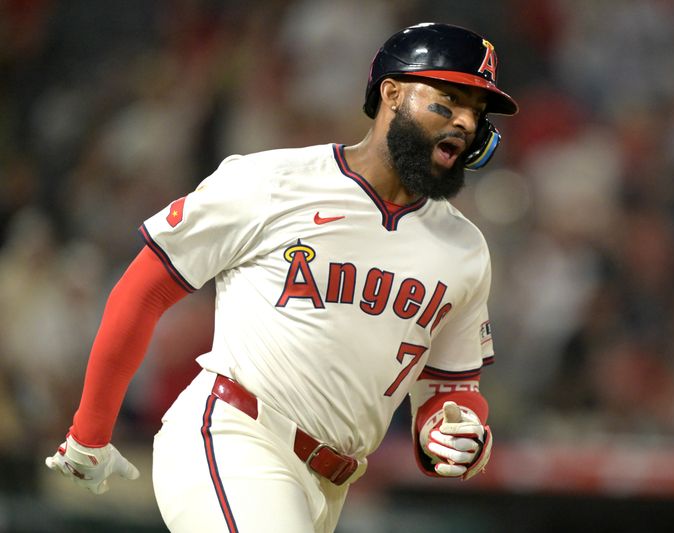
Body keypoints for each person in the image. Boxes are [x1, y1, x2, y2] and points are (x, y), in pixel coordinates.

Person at [45, 22, 518, 532]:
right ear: (393, 93)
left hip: (331, 484)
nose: (465, 122)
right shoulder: (273, 182)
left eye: (477, 111)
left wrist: (456, 431)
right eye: (448, 100)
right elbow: (145, 288)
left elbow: (448, 386)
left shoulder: (465, 249)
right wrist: (89, 431)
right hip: (236, 436)